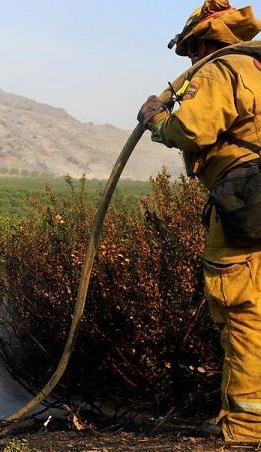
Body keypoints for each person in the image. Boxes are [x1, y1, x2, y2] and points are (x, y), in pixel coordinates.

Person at [138, 0, 261, 443]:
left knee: (241, 310)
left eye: (192, 52)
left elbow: (193, 129)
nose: (190, 62)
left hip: (246, 207)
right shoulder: (258, 68)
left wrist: (156, 118)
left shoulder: (218, 70)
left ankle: (247, 430)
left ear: (205, 42)